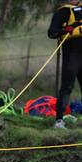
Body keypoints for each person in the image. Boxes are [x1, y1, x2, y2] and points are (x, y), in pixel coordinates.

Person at [48, 0, 82, 129]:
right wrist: (64, 30)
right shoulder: (63, 12)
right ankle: (59, 121)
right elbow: (52, 32)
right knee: (67, 88)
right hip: (72, 57)